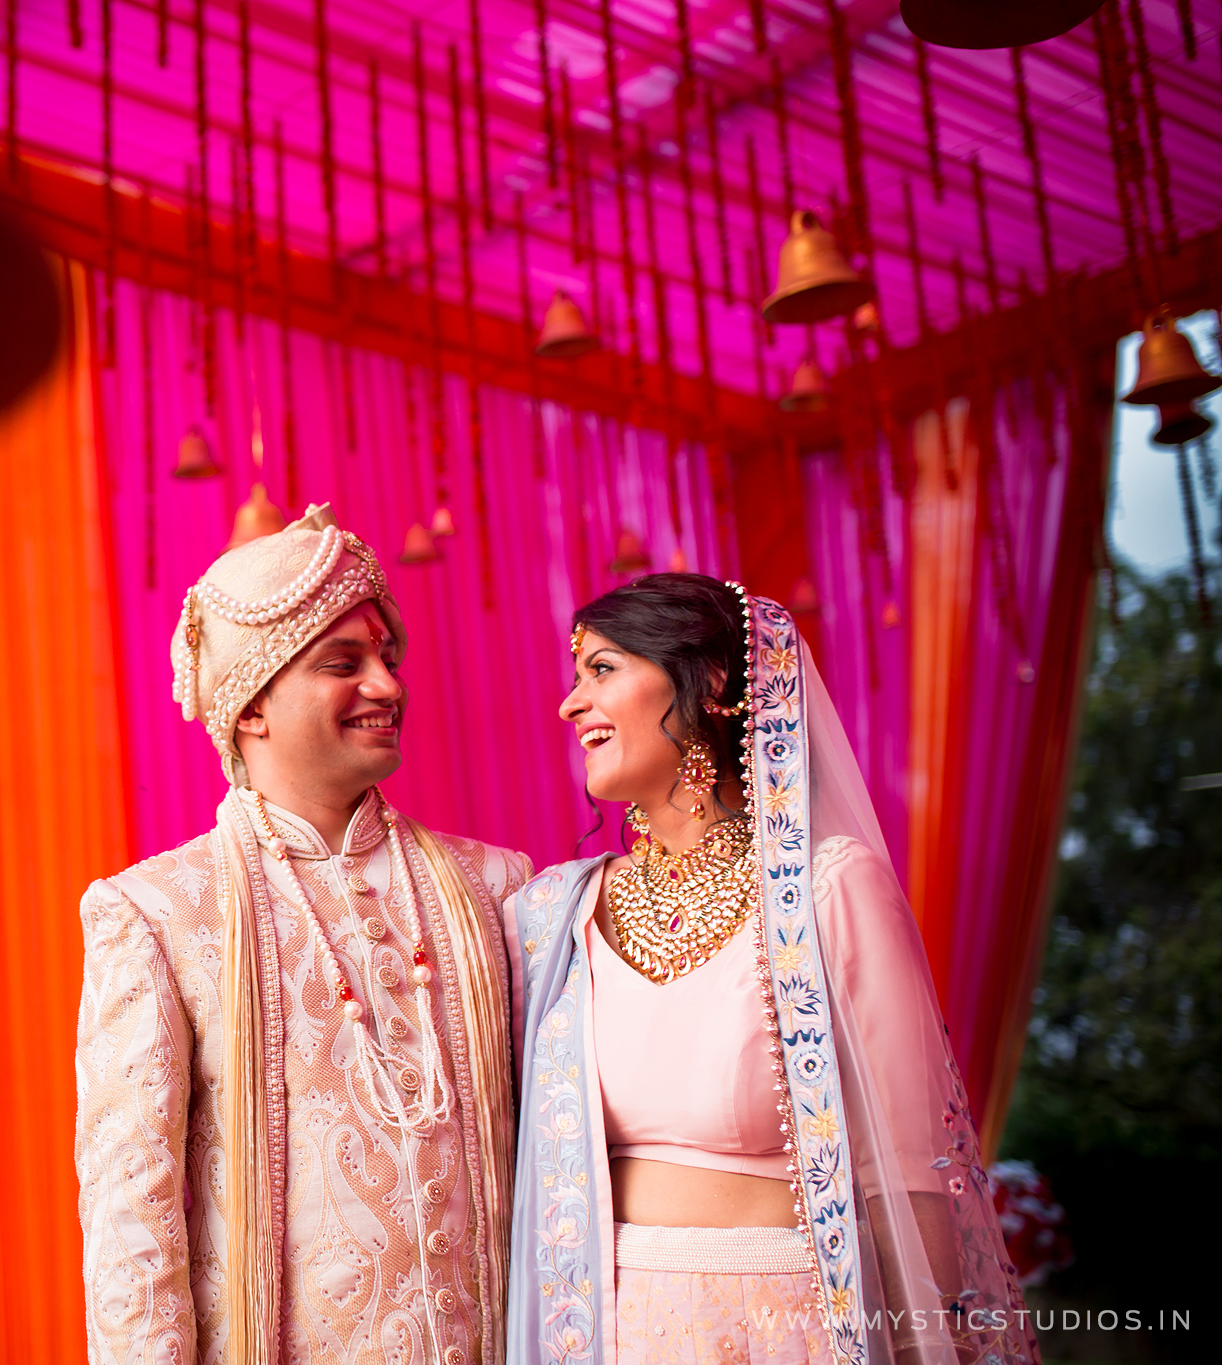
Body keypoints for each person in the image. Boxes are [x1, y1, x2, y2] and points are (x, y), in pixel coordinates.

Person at [504, 574, 1036, 1365]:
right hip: (605, 1330)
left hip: (786, 1326)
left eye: (603, 669)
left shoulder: (825, 888)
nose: (570, 704)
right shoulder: (553, 916)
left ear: (711, 681)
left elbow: (909, 1185)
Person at [76, 504, 533, 1365]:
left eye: (387, 658)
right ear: (251, 707)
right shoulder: (160, 913)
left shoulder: (499, 888)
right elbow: (130, 1230)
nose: (389, 686)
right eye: (342, 663)